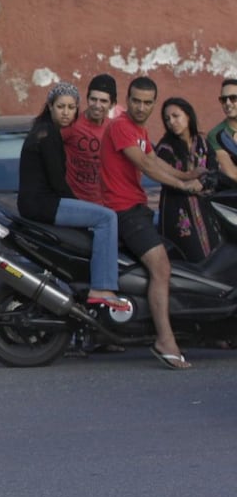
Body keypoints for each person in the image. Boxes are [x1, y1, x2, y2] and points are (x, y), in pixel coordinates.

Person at [101, 76, 204, 370]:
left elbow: (154, 159)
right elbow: (144, 165)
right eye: (136, 100)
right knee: (162, 267)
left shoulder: (139, 129)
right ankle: (165, 340)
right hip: (123, 211)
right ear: (128, 99)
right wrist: (184, 187)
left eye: (147, 103)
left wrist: (187, 175)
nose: (141, 107)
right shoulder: (121, 126)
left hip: (137, 207)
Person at [18, 83, 126, 310]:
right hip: (43, 204)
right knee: (106, 218)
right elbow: (58, 182)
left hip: (38, 203)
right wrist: (78, 206)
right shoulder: (48, 135)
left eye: (71, 107)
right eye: (60, 107)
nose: (66, 112)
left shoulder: (45, 131)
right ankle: (102, 287)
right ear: (50, 107)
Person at [155, 97, 221, 263]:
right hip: (177, 211)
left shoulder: (203, 144)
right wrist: (187, 184)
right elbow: (166, 178)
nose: (172, 122)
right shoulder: (165, 148)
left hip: (205, 210)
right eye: (167, 119)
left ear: (188, 115)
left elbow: (214, 171)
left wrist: (202, 182)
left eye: (176, 116)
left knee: (214, 258)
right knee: (189, 259)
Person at [61, 73, 116, 205]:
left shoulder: (114, 129)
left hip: (103, 204)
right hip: (73, 202)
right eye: (93, 99)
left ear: (112, 104)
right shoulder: (71, 124)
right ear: (87, 99)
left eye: (103, 101)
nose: (97, 105)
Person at [206, 78, 237, 187]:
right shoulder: (217, 134)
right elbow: (231, 173)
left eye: (233, 98)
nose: (228, 103)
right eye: (223, 99)